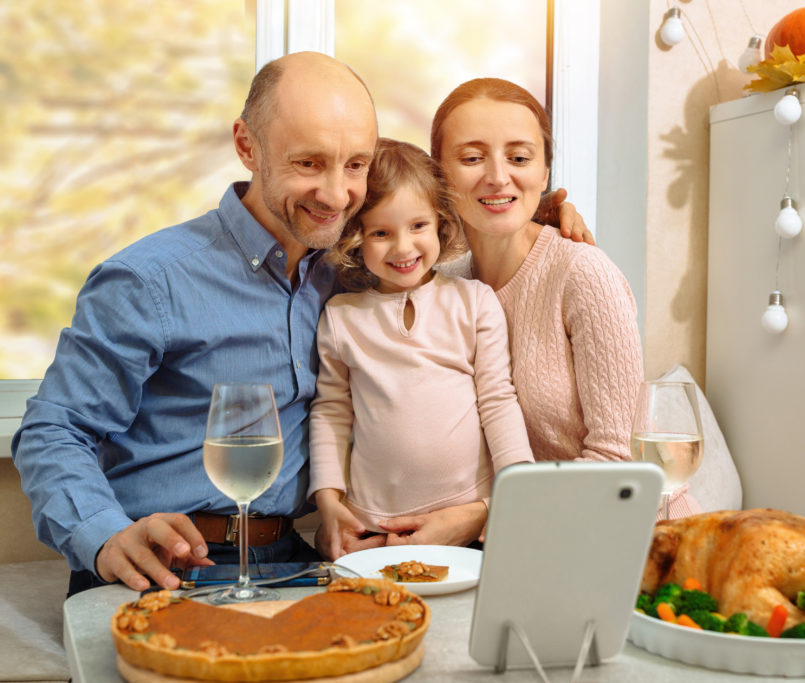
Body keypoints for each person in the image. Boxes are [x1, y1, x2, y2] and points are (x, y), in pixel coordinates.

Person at [12, 53, 583, 595]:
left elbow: (433, 270)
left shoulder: (349, 272)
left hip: (297, 561)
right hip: (168, 566)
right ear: (247, 146)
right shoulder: (150, 281)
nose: (336, 194)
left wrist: (540, 220)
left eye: (355, 165)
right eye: (308, 162)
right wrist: (104, 534)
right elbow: (54, 429)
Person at [379, 77, 700, 545]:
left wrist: (481, 516)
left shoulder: (582, 274)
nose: (497, 176)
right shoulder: (446, 284)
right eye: (471, 158)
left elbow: (618, 461)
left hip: (637, 543)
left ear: (545, 171)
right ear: (439, 175)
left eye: (519, 157)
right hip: (526, 540)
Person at [309, 138, 534, 560]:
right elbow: (332, 412)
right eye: (381, 232)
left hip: (467, 523)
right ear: (356, 238)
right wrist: (328, 499)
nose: (403, 247)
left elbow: (498, 400)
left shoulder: (474, 301)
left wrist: (514, 489)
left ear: (439, 223)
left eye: (418, 226)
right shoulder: (342, 316)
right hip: (371, 528)